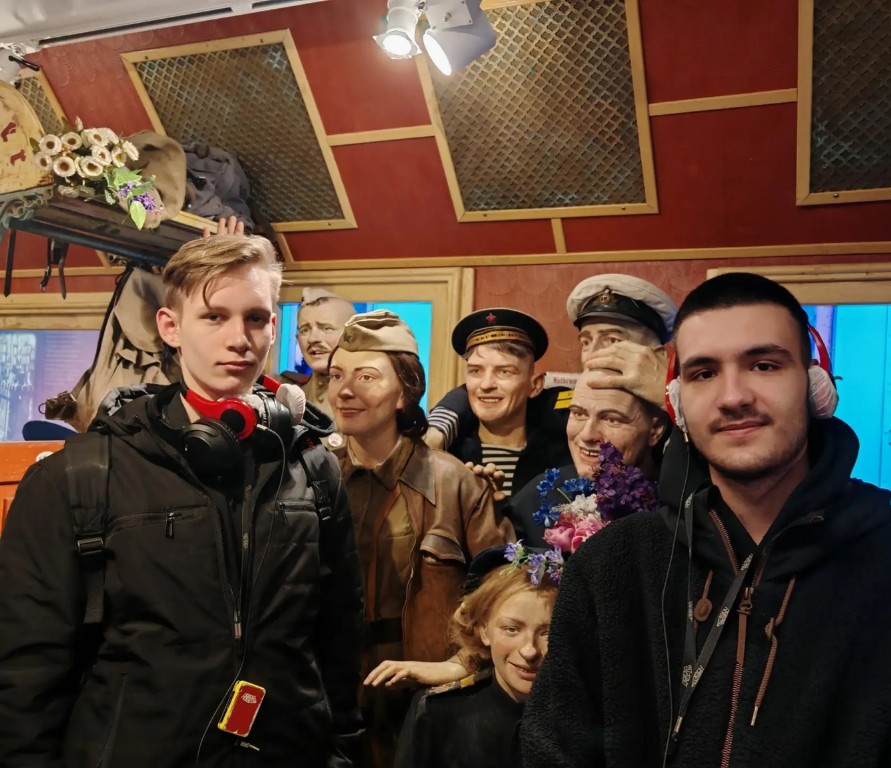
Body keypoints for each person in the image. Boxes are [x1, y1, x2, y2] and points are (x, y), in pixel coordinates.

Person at [522, 272, 891, 767]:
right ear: (677, 403)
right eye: (703, 373)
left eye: (764, 365)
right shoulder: (609, 567)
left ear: (814, 388)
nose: (733, 396)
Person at [0, 234, 364, 767]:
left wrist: (341, 752)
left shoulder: (313, 468)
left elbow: (338, 637)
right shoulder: (78, 478)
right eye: (214, 317)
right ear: (170, 327)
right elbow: (26, 670)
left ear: (272, 327)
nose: (239, 339)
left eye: (255, 319)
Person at [326, 309, 515, 767]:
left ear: (405, 392)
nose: (345, 391)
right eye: (336, 376)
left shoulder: (454, 483)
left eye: (366, 377)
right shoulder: (312, 477)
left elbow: (507, 591)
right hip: (330, 698)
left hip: (426, 704)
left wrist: (462, 663)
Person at [425, 275, 677, 454]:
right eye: (586, 342)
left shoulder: (684, 410)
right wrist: (438, 426)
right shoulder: (561, 412)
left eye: (612, 340)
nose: (592, 356)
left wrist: (668, 394)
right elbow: (476, 393)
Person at [393, 544, 559, 768]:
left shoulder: (590, 717)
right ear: (483, 630)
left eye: (548, 632)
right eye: (511, 629)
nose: (529, 651)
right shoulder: (437, 714)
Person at [505, 369, 667, 544]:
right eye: (579, 414)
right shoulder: (538, 498)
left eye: (611, 419)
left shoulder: (678, 504)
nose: (587, 434)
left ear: (655, 429)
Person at [439, 308, 572, 496]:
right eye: (475, 371)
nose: (486, 384)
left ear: (535, 385)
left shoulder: (565, 457)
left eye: (504, 372)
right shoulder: (446, 453)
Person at [287, 287, 357, 418]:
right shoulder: (289, 398)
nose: (313, 339)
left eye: (326, 328)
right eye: (305, 330)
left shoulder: (369, 399)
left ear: (352, 336)